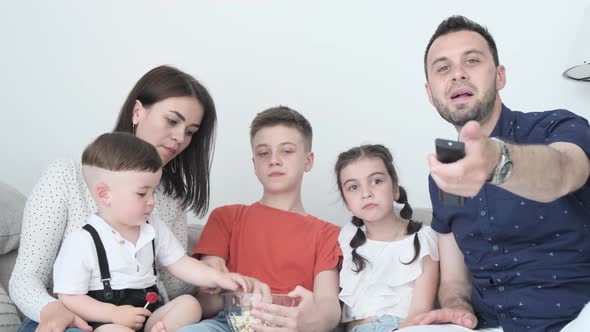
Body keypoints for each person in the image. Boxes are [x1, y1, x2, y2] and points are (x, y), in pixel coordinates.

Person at [403, 15, 590, 332]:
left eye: (472, 61)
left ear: (500, 76)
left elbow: (563, 170)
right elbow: (453, 280)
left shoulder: (559, 127)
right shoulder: (446, 173)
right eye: (443, 68)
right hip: (490, 325)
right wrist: (456, 308)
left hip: (575, 317)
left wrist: (498, 161)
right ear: (430, 92)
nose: (458, 74)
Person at [10, 65, 218, 332]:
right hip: (72, 321)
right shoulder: (66, 176)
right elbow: (26, 277)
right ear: (137, 112)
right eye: (172, 121)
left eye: (190, 131)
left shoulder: (169, 198)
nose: (180, 138)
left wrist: (213, 274)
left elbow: (175, 285)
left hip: (142, 319)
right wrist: (52, 310)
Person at [53, 132, 250, 332]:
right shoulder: (82, 241)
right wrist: (114, 313)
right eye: (141, 193)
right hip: (106, 321)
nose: (151, 201)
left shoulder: (152, 227)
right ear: (105, 194)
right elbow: (69, 297)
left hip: (149, 314)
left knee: (189, 304)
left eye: (153, 191)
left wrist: (218, 278)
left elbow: (181, 263)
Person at [178, 106, 343, 332]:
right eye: (264, 153)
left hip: (291, 325)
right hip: (230, 322)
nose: (274, 160)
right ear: (254, 164)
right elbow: (205, 304)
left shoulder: (327, 234)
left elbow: (329, 305)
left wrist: (310, 323)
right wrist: (216, 284)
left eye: (286, 151)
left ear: (308, 160)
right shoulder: (226, 217)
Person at [334, 144, 439, 331]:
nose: (366, 193)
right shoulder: (346, 236)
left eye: (376, 181)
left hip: (402, 327)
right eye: (353, 187)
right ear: (347, 203)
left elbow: (420, 311)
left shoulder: (424, 239)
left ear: (395, 189)